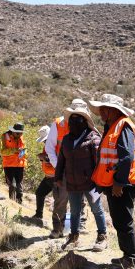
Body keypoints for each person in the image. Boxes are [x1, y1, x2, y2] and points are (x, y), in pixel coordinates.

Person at [90, 94, 135, 269]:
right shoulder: (112, 126)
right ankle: (127, 255)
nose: (101, 112)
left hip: (124, 184)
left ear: (114, 110)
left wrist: (119, 182)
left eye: (105, 109)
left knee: (124, 220)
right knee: (119, 220)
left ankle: (133, 260)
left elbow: (126, 156)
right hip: (117, 183)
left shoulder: (123, 126)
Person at [54, 106, 107, 251]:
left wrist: (100, 182)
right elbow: (61, 160)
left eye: (76, 120)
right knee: (75, 210)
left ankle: (102, 237)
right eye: (71, 120)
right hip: (72, 181)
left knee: (96, 208)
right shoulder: (66, 139)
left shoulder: (93, 138)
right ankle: (73, 237)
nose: (72, 123)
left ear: (84, 122)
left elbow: (99, 163)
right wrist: (58, 177)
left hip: (91, 183)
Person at [45, 99, 89, 238]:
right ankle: (57, 229)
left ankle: (80, 226)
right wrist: (58, 166)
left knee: (80, 200)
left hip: (80, 170)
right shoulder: (58, 124)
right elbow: (49, 148)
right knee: (60, 200)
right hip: (63, 169)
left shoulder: (87, 126)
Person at [33, 125, 55, 222]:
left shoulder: (56, 144)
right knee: (40, 193)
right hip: (48, 177)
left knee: (59, 201)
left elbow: (56, 159)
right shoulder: (46, 146)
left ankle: (59, 224)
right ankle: (38, 215)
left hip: (56, 177)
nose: (45, 142)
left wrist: (44, 158)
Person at [0, 123, 26, 203]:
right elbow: (2, 152)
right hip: (8, 165)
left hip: (20, 164)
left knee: (19, 187)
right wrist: (15, 150)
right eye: (18, 133)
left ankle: (19, 203)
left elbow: (25, 149)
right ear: (13, 131)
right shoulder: (4, 136)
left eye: (21, 133)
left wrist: (24, 152)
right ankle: (12, 203)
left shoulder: (21, 137)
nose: (19, 135)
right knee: (12, 185)